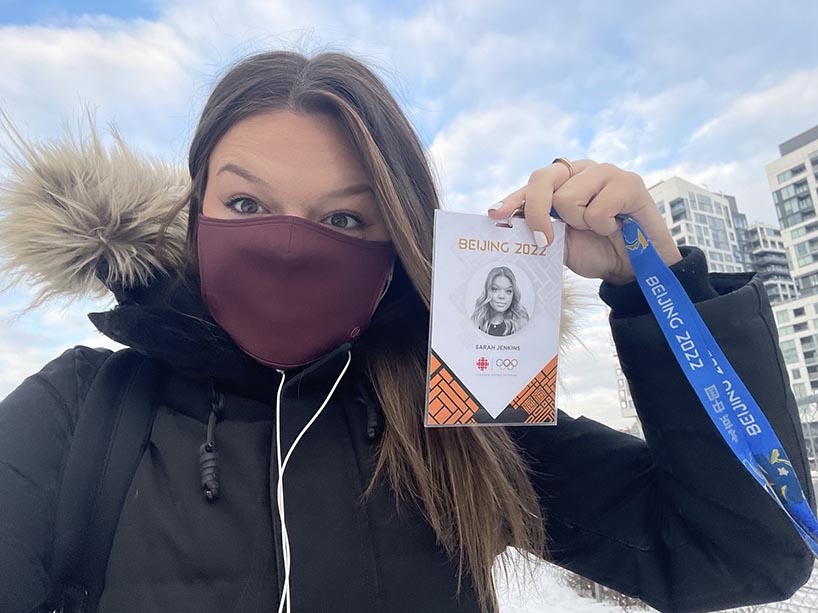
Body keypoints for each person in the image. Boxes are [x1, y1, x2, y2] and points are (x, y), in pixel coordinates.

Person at [0, 50, 814, 613]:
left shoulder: (456, 419)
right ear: (194, 211)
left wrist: (658, 287)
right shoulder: (75, 416)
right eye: (246, 204)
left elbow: (744, 549)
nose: (288, 245)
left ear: (396, 243)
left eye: (346, 215)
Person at [471, 266, 530, 337]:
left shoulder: (521, 322)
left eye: (508, 291)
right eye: (495, 289)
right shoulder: (476, 320)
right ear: (487, 291)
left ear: (513, 294)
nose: (502, 296)